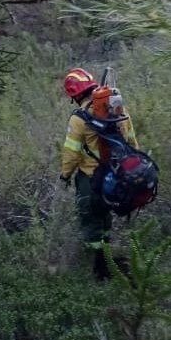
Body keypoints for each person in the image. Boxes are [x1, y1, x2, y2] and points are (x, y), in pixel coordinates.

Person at [60, 68, 139, 279]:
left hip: (91, 179)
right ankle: (107, 260)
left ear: (75, 95)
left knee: (91, 221)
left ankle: (97, 268)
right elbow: (131, 141)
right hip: (116, 175)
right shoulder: (117, 109)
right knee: (105, 219)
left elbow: (71, 154)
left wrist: (65, 175)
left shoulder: (79, 119)